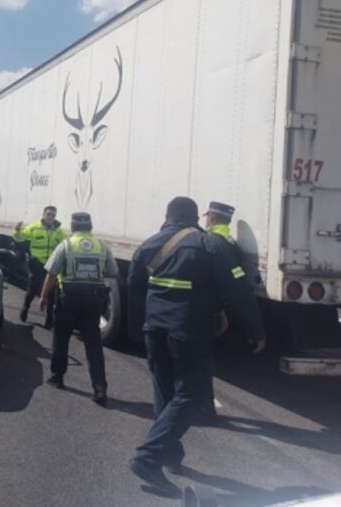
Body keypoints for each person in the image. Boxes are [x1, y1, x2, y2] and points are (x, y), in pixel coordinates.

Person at [127, 197, 266, 496]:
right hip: (189, 330)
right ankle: (148, 456)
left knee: (164, 392)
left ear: (168, 217)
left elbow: (135, 285)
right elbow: (237, 290)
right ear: (195, 218)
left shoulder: (149, 244)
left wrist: (157, 308)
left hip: (155, 328)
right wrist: (255, 330)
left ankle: (170, 455)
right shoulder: (209, 245)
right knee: (192, 391)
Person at [38, 212, 118, 404]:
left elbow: (51, 274)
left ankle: (57, 378)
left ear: (73, 227)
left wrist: (43, 296)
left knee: (61, 339)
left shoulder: (66, 245)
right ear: (90, 227)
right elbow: (113, 271)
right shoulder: (101, 246)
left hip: (69, 298)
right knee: (93, 344)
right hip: (93, 300)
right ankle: (100, 390)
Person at [200, 200, 245, 419]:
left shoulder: (210, 241)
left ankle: (205, 409)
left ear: (213, 218)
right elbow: (236, 276)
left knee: (200, 362)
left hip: (209, 308)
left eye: (207, 216)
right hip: (221, 306)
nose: (206, 219)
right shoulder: (230, 242)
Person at [13, 206, 68, 327]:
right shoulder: (34, 227)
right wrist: (17, 230)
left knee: (51, 292)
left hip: (52, 265)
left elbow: (66, 244)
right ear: (43, 214)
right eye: (48, 214)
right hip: (37, 263)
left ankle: (49, 319)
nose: (51, 217)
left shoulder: (59, 231)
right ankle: (25, 308)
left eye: (53, 215)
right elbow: (20, 238)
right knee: (32, 289)